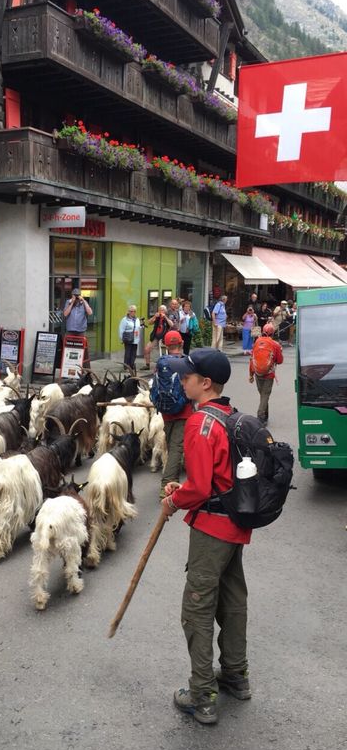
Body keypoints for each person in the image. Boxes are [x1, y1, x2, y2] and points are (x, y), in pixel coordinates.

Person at [161, 348, 252, 725]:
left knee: (196, 609)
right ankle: (236, 675)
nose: (182, 381)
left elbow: (198, 488)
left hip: (211, 529)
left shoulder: (201, 425)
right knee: (232, 599)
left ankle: (202, 696)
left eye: (187, 377)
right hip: (236, 527)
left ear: (206, 383)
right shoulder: (231, 417)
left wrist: (173, 499)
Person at [158, 331, 194, 498]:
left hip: (165, 410)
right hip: (183, 411)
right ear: (181, 344)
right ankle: (166, 487)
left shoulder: (161, 363)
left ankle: (176, 476)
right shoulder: (187, 362)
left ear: (166, 346)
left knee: (172, 443)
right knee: (176, 448)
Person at [249, 323, 283, 425]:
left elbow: (252, 359)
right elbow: (280, 360)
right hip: (269, 374)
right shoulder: (275, 344)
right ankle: (260, 416)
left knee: (263, 395)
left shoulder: (257, 342)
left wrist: (250, 374)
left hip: (257, 372)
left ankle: (265, 416)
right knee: (265, 395)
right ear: (273, 333)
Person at [64, 287, 93, 368]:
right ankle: (69, 368)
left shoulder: (83, 303)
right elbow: (65, 314)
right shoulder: (68, 302)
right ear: (72, 296)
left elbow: (90, 312)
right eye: (75, 295)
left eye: (77, 295)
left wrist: (83, 301)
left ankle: (85, 369)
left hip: (81, 330)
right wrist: (71, 303)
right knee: (70, 349)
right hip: (70, 330)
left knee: (83, 350)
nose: (76, 297)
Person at [142, 305, 170, 370]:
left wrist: (165, 317)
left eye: (162, 310)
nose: (161, 311)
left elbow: (171, 324)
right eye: (160, 310)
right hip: (155, 336)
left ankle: (166, 365)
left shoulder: (167, 317)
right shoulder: (157, 317)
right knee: (146, 349)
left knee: (165, 352)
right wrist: (154, 316)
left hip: (164, 337)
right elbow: (149, 323)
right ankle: (147, 364)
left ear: (165, 311)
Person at [118, 304, 141, 373]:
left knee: (133, 353)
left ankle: (131, 365)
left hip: (135, 338)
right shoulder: (124, 320)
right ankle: (126, 367)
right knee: (128, 353)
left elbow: (138, 328)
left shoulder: (137, 319)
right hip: (128, 338)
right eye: (131, 311)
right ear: (128, 311)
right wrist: (121, 339)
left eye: (134, 311)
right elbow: (121, 330)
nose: (133, 312)